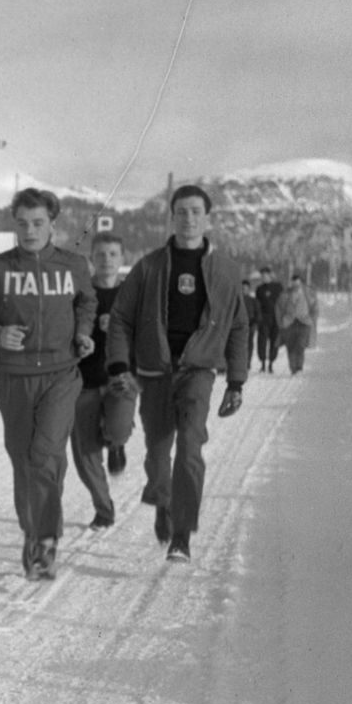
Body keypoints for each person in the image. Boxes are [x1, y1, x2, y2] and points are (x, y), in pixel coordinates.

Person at [107, 184, 249, 563]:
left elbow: (238, 326)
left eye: (195, 212)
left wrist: (236, 381)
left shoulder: (225, 271)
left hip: (198, 372)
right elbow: (120, 316)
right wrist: (120, 364)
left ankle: (182, 534)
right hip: (154, 372)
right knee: (157, 453)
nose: (188, 219)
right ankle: (163, 501)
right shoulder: (149, 266)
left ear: (208, 219)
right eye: (181, 212)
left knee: (189, 448)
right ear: (172, 217)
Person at [0, 189, 96, 579]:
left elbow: (86, 303)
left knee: (45, 454)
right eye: (22, 223)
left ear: (53, 223)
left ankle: (46, 541)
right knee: (25, 461)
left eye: (38, 223)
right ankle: (33, 531)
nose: (30, 230)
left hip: (61, 374)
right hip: (15, 378)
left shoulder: (73, 265)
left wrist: (84, 333)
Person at [70, 230, 137, 530]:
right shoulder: (80, 296)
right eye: (100, 254)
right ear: (91, 259)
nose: (106, 260)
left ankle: (117, 442)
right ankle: (104, 508)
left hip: (119, 379)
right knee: (85, 453)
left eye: (113, 254)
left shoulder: (133, 297)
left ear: (123, 259)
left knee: (118, 427)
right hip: (82, 381)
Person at [275, 273, 319, 374]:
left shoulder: (308, 294)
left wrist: (311, 319)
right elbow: (278, 308)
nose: (295, 286)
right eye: (293, 283)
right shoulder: (285, 295)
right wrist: (280, 322)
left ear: (301, 283)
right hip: (289, 323)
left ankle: (299, 367)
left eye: (298, 283)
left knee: (300, 345)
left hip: (304, 323)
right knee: (290, 347)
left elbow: (315, 308)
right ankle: (293, 368)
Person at [253, 266, 283, 373]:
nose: (264, 277)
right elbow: (257, 304)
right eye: (262, 276)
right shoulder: (259, 289)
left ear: (270, 275)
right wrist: (257, 317)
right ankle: (262, 363)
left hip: (275, 318)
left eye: (266, 275)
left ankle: (271, 363)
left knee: (274, 342)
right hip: (264, 319)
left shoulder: (278, 287)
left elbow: (282, 302)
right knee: (262, 342)